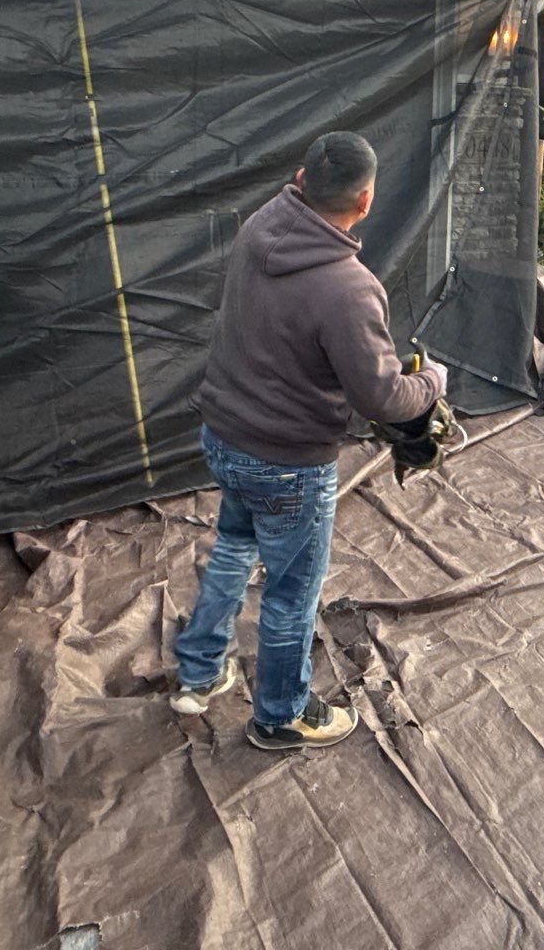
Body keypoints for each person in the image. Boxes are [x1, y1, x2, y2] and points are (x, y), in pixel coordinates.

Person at [170, 131, 445, 750]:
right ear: (365, 201)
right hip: (286, 465)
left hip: (225, 437)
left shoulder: (258, 228)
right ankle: (279, 716)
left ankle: (199, 674)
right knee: (291, 594)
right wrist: (433, 381)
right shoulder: (349, 289)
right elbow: (383, 399)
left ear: (300, 178)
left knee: (235, 548)